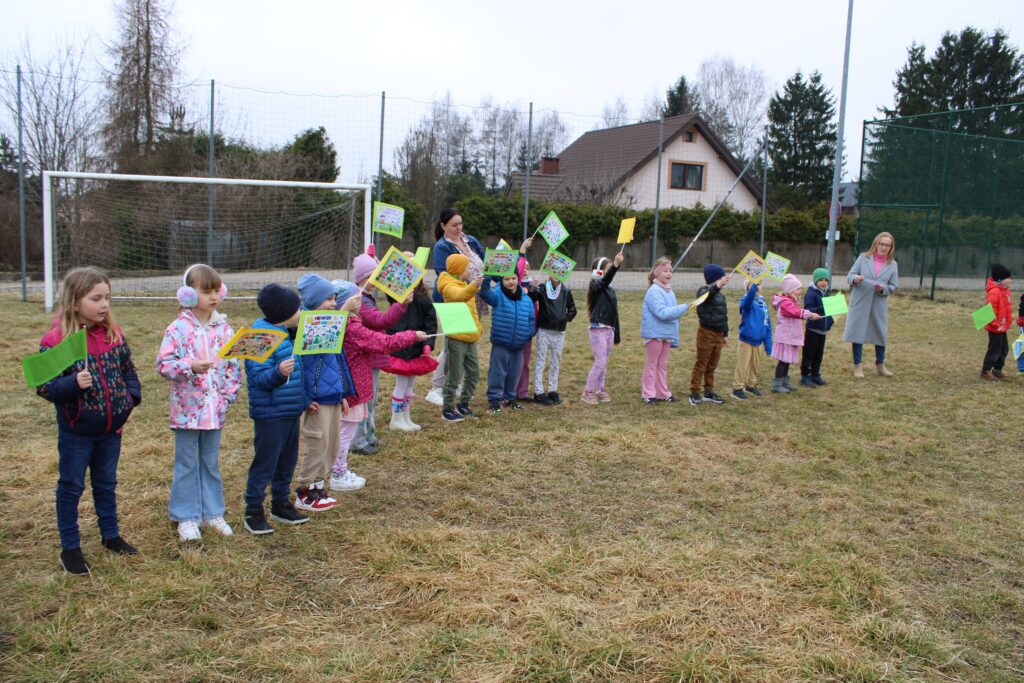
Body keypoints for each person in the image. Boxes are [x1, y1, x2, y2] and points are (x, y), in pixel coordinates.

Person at [36, 266, 141, 575]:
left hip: (111, 430)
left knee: (106, 483)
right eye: (96, 298)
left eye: (107, 297)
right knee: (71, 487)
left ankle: (111, 535)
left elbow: (128, 371)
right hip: (77, 433)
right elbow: (44, 387)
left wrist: (130, 399)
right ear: (75, 300)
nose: (104, 305)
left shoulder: (113, 334)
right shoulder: (56, 340)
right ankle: (70, 547)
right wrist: (73, 384)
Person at [156, 264, 241, 542]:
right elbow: (164, 364)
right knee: (186, 464)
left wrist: (227, 397)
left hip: (214, 412)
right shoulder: (177, 328)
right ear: (188, 294)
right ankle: (186, 516)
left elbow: (232, 366)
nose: (213, 296)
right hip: (187, 411)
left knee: (210, 462)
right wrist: (190, 367)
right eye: (206, 291)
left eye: (216, 290)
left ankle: (212, 512)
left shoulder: (224, 327)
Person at [331, 279, 426, 486]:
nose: (360, 300)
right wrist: (412, 336)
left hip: (350, 388)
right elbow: (383, 341)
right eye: (356, 297)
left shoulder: (341, 323)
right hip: (351, 389)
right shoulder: (350, 327)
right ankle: (337, 474)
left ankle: (337, 470)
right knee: (344, 434)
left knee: (342, 432)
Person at [242, 284, 310, 535]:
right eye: (297, 308)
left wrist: (305, 400)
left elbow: (300, 374)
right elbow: (258, 379)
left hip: (291, 411)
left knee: (286, 461)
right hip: (270, 414)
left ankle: (280, 503)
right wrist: (278, 374)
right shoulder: (258, 336)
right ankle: (253, 511)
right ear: (284, 312)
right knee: (265, 462)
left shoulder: (289, 333)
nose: (301, 312)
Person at [293, 273, 359, 511]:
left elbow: (337, 363)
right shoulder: (307, 328)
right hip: (316, 401)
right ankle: (305, 490)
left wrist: (343, 392)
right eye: (327, 299)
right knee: (317, 444)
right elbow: (301, 369)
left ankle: (319, 486)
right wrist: (306, 398)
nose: (333, 303)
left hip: (332, 397)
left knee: (331, 444)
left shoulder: (331, 327)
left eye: (334, 298)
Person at [348, 245, 409, 455]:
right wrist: (401, 304)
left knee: (371, 400)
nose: (378, 279)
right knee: (365, 400)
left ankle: (369, 437)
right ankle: (358, 442)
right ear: (363, 277)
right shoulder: (359, 300)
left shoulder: (367, 297)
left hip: (372, 355)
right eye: (374, 275)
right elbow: (379, 320)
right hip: (366, 356)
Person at [426, 208, 486, 406]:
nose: (458, 228)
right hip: (452, 298)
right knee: (452, 345)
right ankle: (437, 387)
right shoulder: (442, 247)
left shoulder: (470, 240)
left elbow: (485, 259)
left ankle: (455, 383)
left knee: (465, 344)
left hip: (472, 297)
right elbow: (446, 274)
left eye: (460, 223)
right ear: (443, 226)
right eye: (454, 225)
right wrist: (469, 285)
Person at [383, 259, 438, 431]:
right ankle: (396, 418)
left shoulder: (424, 300)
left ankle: (405, 416)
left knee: (410, 384)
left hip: (416, 347)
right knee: (401, 383)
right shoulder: (397, 296)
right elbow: (387, 286)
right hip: (399, 345)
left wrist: (428, 344)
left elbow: (430, 325)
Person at [843, 232, 899, 378]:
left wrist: (883, 289)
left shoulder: (892, 265)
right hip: (860, 301)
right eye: (882, 244)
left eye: (888, 245)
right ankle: (858, 366)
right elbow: (850, 275)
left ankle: (880, 365)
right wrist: (855, 279)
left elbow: (894, 286)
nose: (884, 247)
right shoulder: (863, 258)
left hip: (878, 304)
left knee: (880, 333)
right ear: (876, 244)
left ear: (891, 247)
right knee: (857, 333)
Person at [437, 253, 484, 422]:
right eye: (467, 267)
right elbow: (460, 296)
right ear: (458, 269)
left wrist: (478, 329)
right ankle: (447, 408)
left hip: (469, 336)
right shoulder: (448, 285)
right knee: (454, 376)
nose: (469, 270)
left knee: (473, 373)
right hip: (456, 337)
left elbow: (471, 310)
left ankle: (464, 404)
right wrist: (474, 285)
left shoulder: (463, 283)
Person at [480, 271, 536, 414]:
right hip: (501, 342)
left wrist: (528, 333)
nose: (511, 281)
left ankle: (510, 397)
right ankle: (494, 398)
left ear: (518, 279)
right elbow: (485, 294)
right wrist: (486, 278)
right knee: (498, 371)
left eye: (513, 278)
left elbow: (531, 319)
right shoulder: (497, 295)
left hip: (519, 344)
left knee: (514, 372)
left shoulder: (526, 299)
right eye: (507, 279)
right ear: (501, 280)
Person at [640, 257, 691, 404]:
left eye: (670, 271)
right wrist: (684, 307)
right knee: (652, 365)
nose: (669, 274)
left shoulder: (669, 291)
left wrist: (674, 336)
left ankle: (663, 393)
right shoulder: (654, 291)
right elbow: (662, 312)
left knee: (662, 365)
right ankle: (648, 394)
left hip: (666, 334)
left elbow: (672, 316)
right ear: (657, 273)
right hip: (655, 334)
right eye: (665, 271)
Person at [528, 270, 577, 406]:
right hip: (544, 330)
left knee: (556, 361)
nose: (556, 275)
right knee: (541, 361)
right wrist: (532, 288)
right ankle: (539, 391)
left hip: (559, 332)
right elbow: (531, 300)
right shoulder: (542, 289)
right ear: (549, 272)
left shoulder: (566, 291)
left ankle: (553, 390)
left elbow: (572, 308)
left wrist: (565, 318)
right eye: (553, 272)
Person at [582, 251, 625, 404]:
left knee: (604, 362)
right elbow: (605, 280)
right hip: (598, 328)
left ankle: (600, 390)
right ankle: (588, 392)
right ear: (599, 271)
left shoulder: (609, 289)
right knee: (599, 362)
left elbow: (615, 313)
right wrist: (615, 266)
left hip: (609, 329)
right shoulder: (596, 285)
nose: (609, 273)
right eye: (606, 270)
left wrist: (617, 335)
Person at [771, 274, 822, 393]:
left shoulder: (790, 301)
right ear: (790, 290)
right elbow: (795, 312)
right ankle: (777, 384)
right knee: (783, 361)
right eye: (798, 289)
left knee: (787, 360)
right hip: (785, 337)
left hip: (790, 336)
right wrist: (810, 314)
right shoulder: (785, 303)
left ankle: (785, 381)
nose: (800, 291)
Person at [689, 264, 731, 406]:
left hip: (718, 335)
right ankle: (695, 392)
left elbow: (723, 316)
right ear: (715, 278)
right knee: (701, 364)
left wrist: (725, 333)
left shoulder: (721, 296)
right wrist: (718, 285)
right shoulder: (703, 291)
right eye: (721, 277)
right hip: (706, 333)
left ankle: (708, 391)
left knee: (712, 365)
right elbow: (707, 296)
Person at [732, 279, 773, 400]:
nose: (757, 287)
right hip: (746, 339)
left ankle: (750, 385)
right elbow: (747, 302)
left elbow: (768, 325)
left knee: (754, 365)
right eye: (754, 285)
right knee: (742, 365)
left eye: (759, 285)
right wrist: (753, 285)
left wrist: (768, 346)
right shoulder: (746, 301)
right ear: (747, 289)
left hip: (759, 341)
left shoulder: (763, 304)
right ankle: (737, 388)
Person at [799, 268, 836, 387]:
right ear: (815, 281)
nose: (824, 282)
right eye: (821, 280)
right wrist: (823, 308)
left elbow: (828, 311)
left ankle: (815, 374)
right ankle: (805, 376)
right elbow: (809, 310)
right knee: (809, 353)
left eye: (826, 280)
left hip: (822, 331)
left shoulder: (826, 292)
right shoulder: (811, 294)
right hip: (812, 330)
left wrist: (830, 319)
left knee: (819, 354)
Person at [981, 263, 1013, 381]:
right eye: (1008, 278)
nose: (1010, 280)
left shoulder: (1005, 291)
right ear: (1000, 279)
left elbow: (1006, 308)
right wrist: (994, 324)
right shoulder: (995, 292)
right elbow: (990, 309)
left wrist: (1007, 322)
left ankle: (997, 370)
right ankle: (986, 371)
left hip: (1002, 326)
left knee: (1004, 349)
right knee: (994, 349)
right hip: (995, 327)